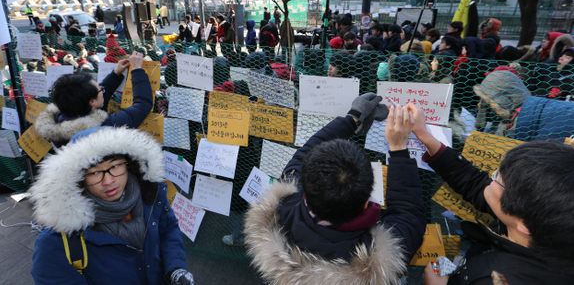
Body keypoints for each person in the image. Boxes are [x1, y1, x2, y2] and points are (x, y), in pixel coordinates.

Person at [244, 98, 426, 284]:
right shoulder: (382, 259)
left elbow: (304, 154)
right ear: (366, 202)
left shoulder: (282, 209)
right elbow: (408, 213)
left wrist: (351, 119)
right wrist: (398, 146)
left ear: (306, 184)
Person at [412, 109, 574, 285]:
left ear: (525, 224)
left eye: (499, 179)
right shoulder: (542, 221)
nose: (491, 179)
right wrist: (424, 135)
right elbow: (474, 183)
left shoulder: (499, 280)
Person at [30, 126, 194, 285]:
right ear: (78, 178)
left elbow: (168, 229)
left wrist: (175, 268)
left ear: (129, 163)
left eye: (115, 166)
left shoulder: (150, 196)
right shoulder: (55, 242)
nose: (108, 181)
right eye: (94, 173)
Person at [34, 51, 153, 148]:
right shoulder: (102, 127)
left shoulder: (60, 118)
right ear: (91, 102)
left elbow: (91, 95)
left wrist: (116, 74)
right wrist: (137, 70)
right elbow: (142, 105)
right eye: (100, 89)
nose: (102, 89)